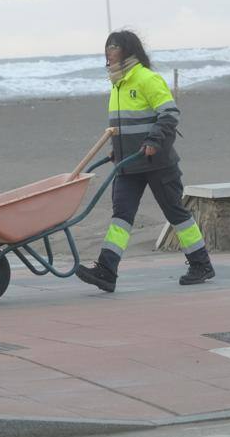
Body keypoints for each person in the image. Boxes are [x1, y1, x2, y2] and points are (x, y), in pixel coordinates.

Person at [75, 29, 215, 293]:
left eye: (114, 46)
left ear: (128, 50)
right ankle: (107, 270)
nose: (109, 51)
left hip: (157, 163)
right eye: (107, 46)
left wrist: (153, 141)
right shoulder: (117, 82)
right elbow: (123, 125)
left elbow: (170, 114)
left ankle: (201, 263)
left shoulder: (147, 79)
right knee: (121, 216)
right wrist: (117, 149)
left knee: (176, 213)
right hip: (129, 163)